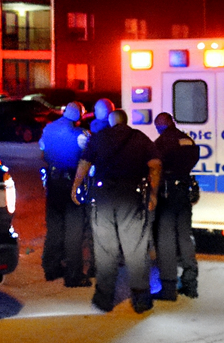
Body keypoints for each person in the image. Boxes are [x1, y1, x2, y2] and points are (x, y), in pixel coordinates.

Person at [71, 109, 161, 313]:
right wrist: (153, 193)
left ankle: (104, 299)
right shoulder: (140, 137)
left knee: (105, 250)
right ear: (126, 121)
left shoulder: (99, 137)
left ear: (110, 122)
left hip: (103, 197)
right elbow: (155, 165)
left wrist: (76, 186)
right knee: (136, 249)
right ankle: (141, 300)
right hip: (132, 196)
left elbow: (84, 164)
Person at [38, 101, 89, 286]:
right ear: (80, 116)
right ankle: (73, 275)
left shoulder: (48, 129)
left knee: (55, 226)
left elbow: (42, 153)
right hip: (72, 183)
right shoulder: (81, 135)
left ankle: (51, 268)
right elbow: (88, 157)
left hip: (53, 181)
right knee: (74, 229)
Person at [151, 112, 200, 300]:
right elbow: (193, 159)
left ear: (159, 126)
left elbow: (155, 167)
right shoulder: (187, 139)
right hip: (184, 191)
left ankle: (169, 287)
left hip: (167, 193)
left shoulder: (161, 143)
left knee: (166, 241)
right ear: (172, 122)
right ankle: (190, 284)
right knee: (185, 238)